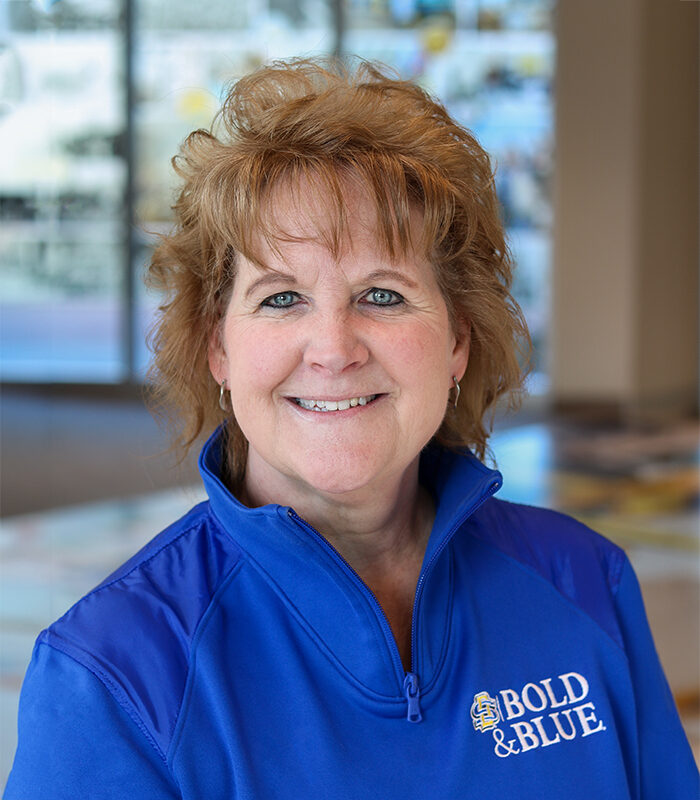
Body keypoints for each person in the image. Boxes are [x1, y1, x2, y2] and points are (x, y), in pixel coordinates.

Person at [5, 58, 698, 800]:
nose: (334, 349)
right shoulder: (112, 674)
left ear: (458, 337)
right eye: (280, 300)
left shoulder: (586, 583)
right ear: (217, 347)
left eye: (382, 294)